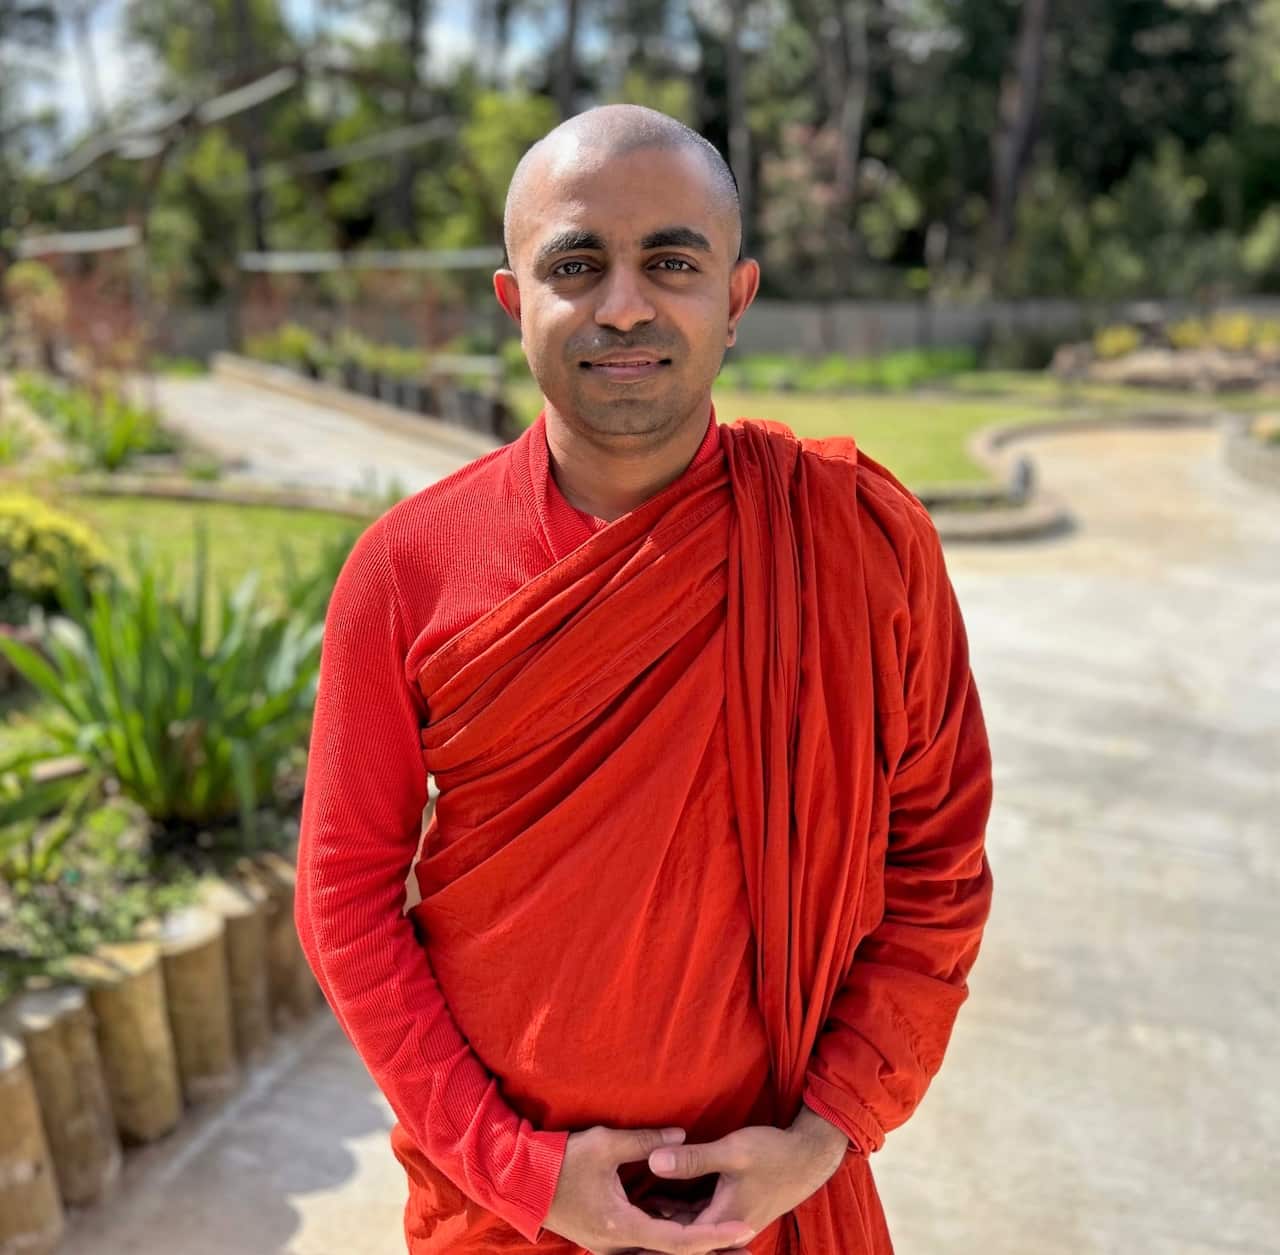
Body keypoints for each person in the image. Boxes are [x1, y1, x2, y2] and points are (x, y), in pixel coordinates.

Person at [294, 103, 994, 1255]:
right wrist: (516, 1167)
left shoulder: (854, 539)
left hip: (776, 1201)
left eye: (671, 259)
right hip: (507, 1212)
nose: (623, 302)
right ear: (515, 302)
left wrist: (826, 1133)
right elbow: (344, 901)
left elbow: (935, 864)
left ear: (736, 295)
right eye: (577, 263)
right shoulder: (406, 568)